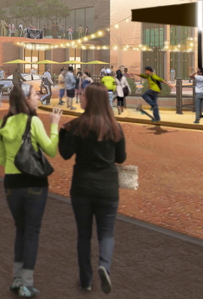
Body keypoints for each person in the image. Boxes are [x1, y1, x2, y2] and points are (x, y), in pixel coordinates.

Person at [0, 83, 62, 297]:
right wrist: (54, 125)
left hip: (11, 184)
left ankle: (16, 278)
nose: (38, 97)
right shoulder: (34, 121)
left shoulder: (3, 124)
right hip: (34, 184)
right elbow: (51, 149)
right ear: (26, 100)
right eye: (35, 94)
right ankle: (27, 283)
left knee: (20, 230)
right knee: (32, 232)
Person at [59, 83, 126, 293]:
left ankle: (86, 281)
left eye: (83, 96)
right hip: (107, 187)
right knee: (106, 233)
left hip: (82, 186)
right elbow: (121, 158)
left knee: (83, 235)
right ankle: (104, 265)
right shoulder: (115, 126)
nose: (80, 98)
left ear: (90, 100)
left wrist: (62, 133)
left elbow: (65, 154)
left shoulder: (77, 126)